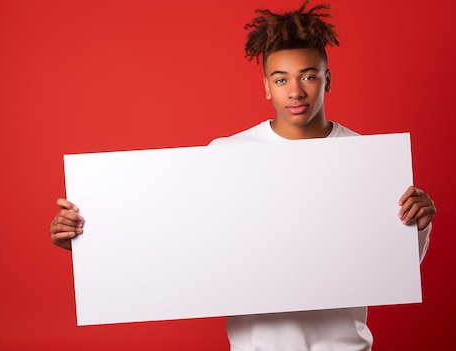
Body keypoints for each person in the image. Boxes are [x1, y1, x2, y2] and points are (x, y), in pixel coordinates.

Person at [50, 1, 436, 350]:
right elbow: (177, 240)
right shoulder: (228, 156)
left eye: (309, 76)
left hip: (345, 347)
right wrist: (89, 244)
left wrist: (418, 224)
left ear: (327, 79)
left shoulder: (365, 158)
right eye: (281, 79)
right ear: (266, 87)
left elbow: (388, 264)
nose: (295, 92)